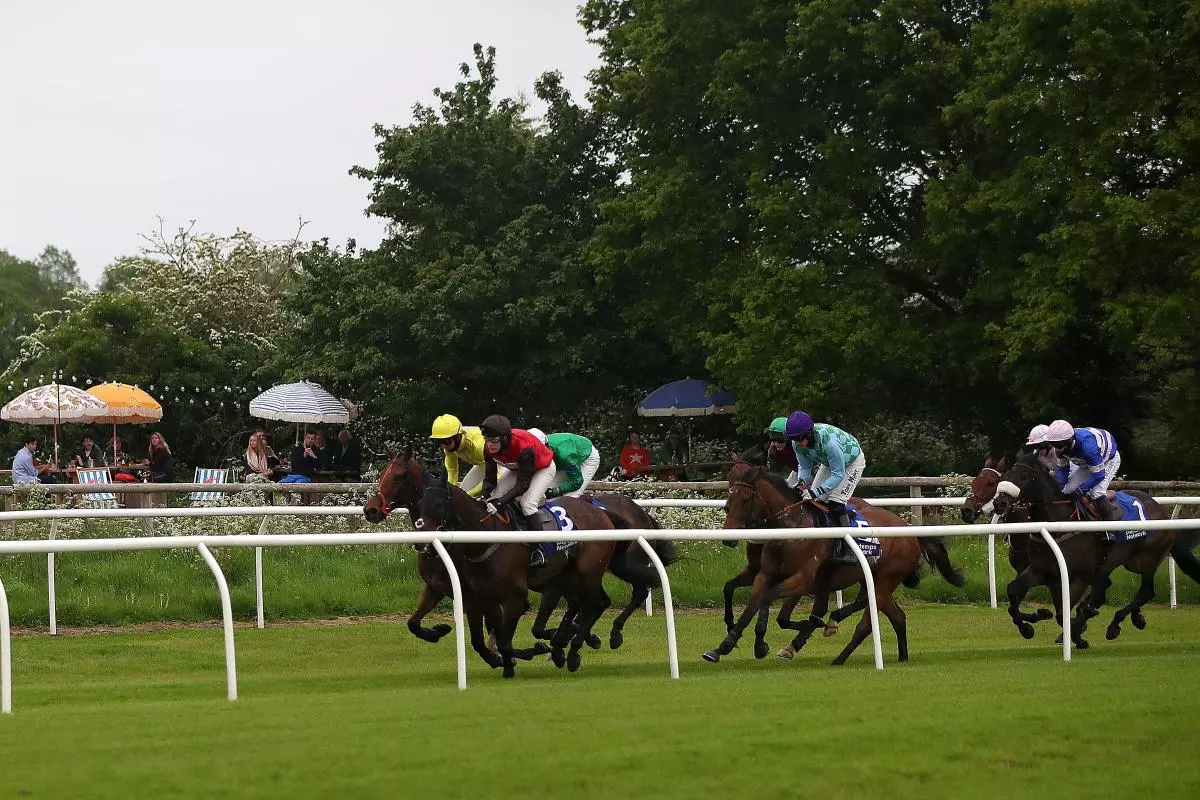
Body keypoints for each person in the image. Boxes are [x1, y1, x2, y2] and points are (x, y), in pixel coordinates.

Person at [784, 411, 867, 558]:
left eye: (799, 439)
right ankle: (824, 543)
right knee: (814, 501)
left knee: (835, 502)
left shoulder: (830, 443)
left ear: (808, 434)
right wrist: (801, 483)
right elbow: (804, 467)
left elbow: (838, 474)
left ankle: (850, 548)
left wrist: (816, 491)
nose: (797, 443)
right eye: (794, 439)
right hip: (829, 462)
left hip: (852, 462)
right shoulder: (797, 444)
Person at [479, 414, 557, 550]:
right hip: (519, 467)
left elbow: (522, 485)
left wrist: (500, 502)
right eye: (486, 440)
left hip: (543, 468)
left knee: (527, 504)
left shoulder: (523, 447)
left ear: (504, 439)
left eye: (493, 441)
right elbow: (490, 479)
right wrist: (483, 496)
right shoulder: (488, 448)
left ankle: (540, 548)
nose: (489, 445)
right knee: (493, 498)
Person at [1042, 419, 1121, 520]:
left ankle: (1111, 529)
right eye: (1052, 444)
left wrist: (1082, 489)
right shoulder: (1060, 447)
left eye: (1058, 445)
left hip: (1108, 459)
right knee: (1067, 490)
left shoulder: (1088, 448)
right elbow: (1063, 469)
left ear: (1069, 441)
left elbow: (1098, 475)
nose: (1056, 448)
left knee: (1096, 493)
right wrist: (1059, 488)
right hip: (1087, 463)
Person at [528, 428, 602, 498]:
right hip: (569, 454)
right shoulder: (543, 444)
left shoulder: (566, 455)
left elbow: (577, 481)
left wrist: (556, 491)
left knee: (570, 496)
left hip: (588, 457)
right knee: (543, 489)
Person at [430, 414, 488, 497]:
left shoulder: (478, 444)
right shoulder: (449, 448)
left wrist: (468, 495)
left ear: (458, 436)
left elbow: (495, 476)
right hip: (484, 464)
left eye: (446, 441)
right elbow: (452, 470)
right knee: (463, 490)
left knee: (491, 494)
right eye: (440, 441)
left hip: (504, 464)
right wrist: (450, 491)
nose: (444, 446)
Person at [765, 417, 800, 484]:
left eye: (780, 440)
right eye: (773, 440)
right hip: (796, 470)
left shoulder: (798, 445)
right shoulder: (772, 450)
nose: (776, 444)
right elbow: (773, 472)